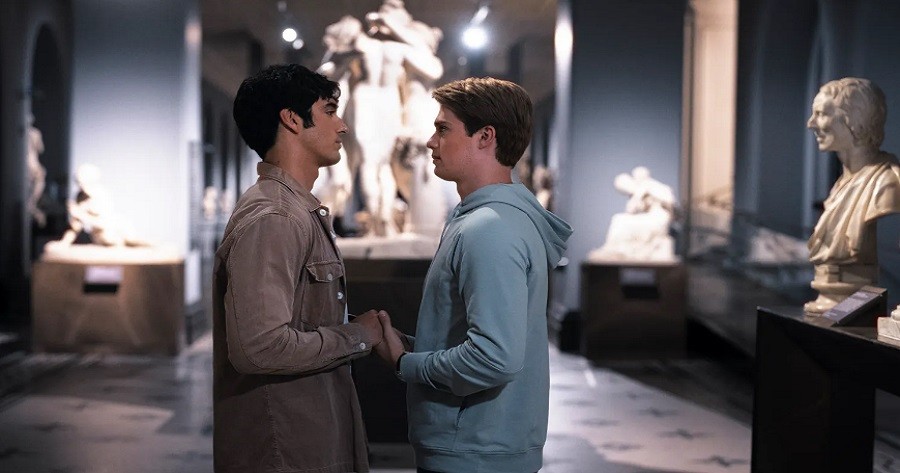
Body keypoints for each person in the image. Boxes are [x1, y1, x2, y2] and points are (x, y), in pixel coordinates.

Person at [374, 77, 573, 473]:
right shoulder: (488, 220)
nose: (431, 141)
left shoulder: (489, 228)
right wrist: (410, 345)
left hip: (473, 452)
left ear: (485, 137)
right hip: (482, 447)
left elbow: (494, 357)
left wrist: (404, 363)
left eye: (443, 129)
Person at [213, 64, 384, 473]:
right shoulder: (276, 216)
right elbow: (259, 348)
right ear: (292, 119)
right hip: (284, 448)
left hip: (306, 436)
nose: (342, 126)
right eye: (330, 111)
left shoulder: (294, 210)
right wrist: (358, 337)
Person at [805, 77, 900, 313]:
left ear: (854, 121)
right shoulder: (841, 185)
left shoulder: (886, 182)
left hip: (855, 295)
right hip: (832, 300)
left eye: (821, 114)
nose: (811, 123)